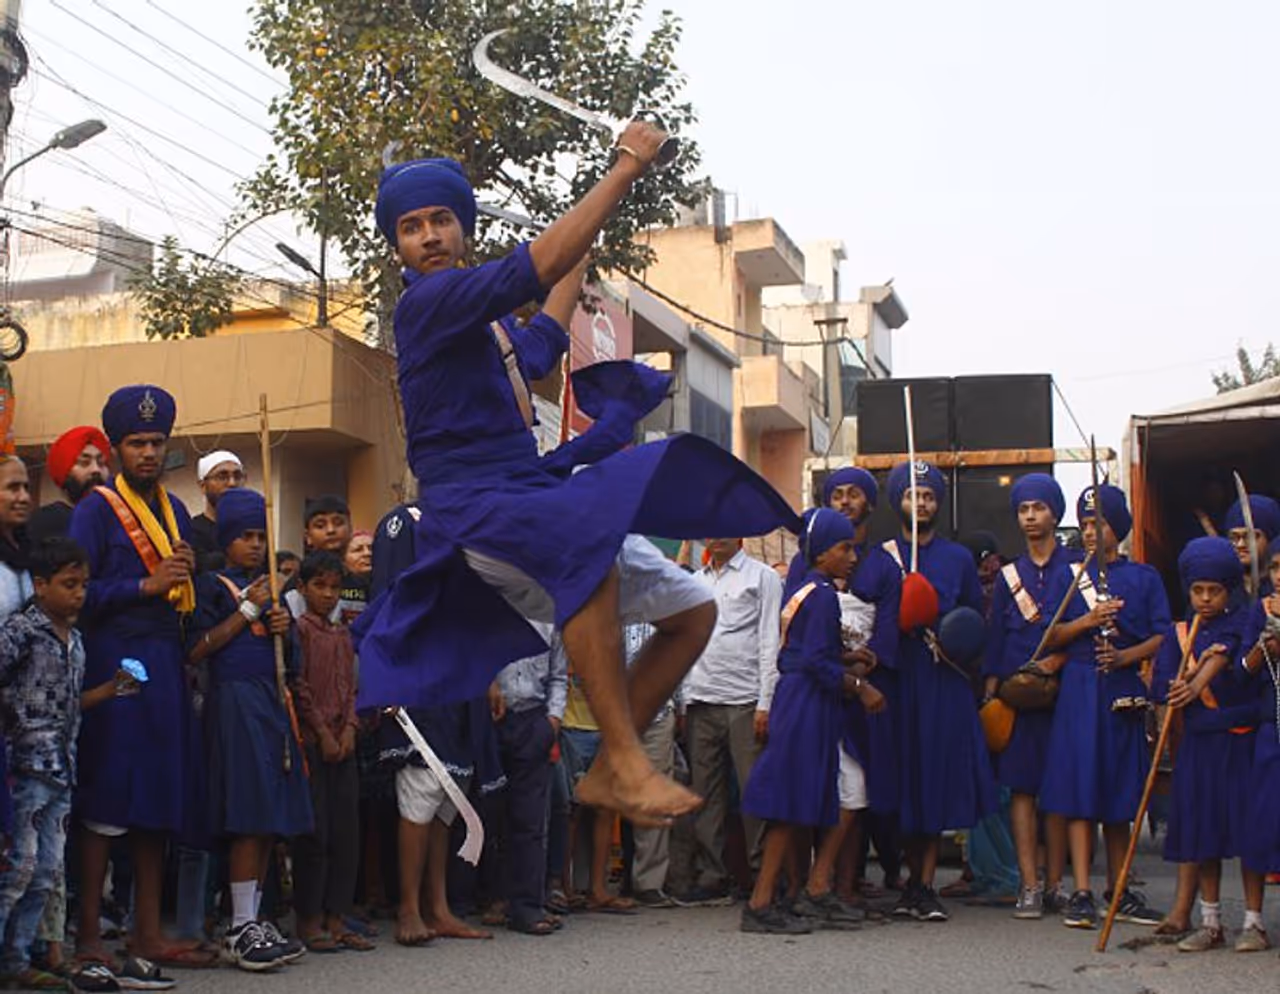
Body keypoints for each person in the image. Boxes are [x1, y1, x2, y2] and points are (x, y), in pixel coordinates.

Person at [355, 129, 800, 828]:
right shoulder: (426, 305)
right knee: (585, 555)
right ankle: (625, 758)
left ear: (462, 227)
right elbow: (530, 269)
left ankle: (607, 777)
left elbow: (539, 349)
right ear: (397, 245)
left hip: (525, 495)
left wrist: (579, 249)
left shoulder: (486, 322)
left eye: (441, 219)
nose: (429, 236)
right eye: (411, 228)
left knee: (692, 612)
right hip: (474, 507)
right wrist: (624, 169)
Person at [69, 385, 216, 970]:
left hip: (166, 663)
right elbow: (74, 594)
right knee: (108, 796)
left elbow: (182, 593)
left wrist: (186, 583)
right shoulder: (94, 509)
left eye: (157, 442)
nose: (149, 453)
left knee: (158, 797)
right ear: (116, 448)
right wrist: (144, 586)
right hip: (116, 661)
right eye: (136, 443)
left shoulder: (176, 511)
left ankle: (147, 933)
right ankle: (87, 937)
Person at [0, 539, 150, 990]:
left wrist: (110, 691)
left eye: (83, 585)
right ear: (41, 585)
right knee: (17, 868)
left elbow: (69, 704)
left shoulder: (77, 641)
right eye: (68, 584)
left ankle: (17, 958)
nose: (79, 594)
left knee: (46, 872)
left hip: (62, 770)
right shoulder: (20, 632)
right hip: (24, 769)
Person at [741, 509, 884, 934]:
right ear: (823, 553)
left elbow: (804, 651)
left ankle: (793, 893)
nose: (853, 557)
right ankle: (761, 902)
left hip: (795, 697)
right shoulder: (822, 595)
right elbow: (816, 664)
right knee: (788, 806)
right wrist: (862, 686)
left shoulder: (803, 589)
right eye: (845, 548)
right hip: (808, 703)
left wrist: (847, 657)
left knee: (795, 804)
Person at [188, 488, 312, 971]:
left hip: (271, 699)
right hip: (235, 701)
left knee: (270, 813)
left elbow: (293, 663)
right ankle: (239, 924)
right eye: (246, 536)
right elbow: (197, 649)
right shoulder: (212, 585)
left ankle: (254, 915)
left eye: (262, 536)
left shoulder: (275, 589)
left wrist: (285, 627)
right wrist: (247, 612)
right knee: (248, 809)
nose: (256, 545)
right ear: (227, 539)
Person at [1039, 484, 1169, 930]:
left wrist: (1127, 658)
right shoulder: (1067, 575)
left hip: (1122, 687)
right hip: (1079, 687)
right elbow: (1049, 637)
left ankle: (1118, 888)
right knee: (1079, 790)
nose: (1093, 532)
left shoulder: (1144, 578)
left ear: (1120, 527)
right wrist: (1087, 621)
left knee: (1119, 794)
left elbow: (1160, 635)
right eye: (1087, 523)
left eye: (1102, 523)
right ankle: (1080, 891)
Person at [885, 461, 995, 923]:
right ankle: (904, 879)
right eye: (913, 495)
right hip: (898, 678)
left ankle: (925, 883)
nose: (922, 503)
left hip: (941, 676)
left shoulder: (957, 559)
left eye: (928, 495)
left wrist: (952, 636)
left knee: (932, 778)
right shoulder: (882, 556)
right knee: (903, 779)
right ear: (899, 502)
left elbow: (974, 620)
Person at [1149, 537, 1262, 953]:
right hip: (1198, 746)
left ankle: (1253, 922)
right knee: (1204, 833)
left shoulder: (1247, 622)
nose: (1206, 598)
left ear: (1229, 588)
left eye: (1214, 590)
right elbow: (1162, 684)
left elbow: (1240, 669)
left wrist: (1202, 679)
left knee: (1248, 835)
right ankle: (1210, 921)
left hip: (1239, 742)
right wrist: (1174, 689)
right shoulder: (1177, 634)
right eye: (1198, 590)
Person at [796, 468, 903, 900]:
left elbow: (888, 630)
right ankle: (802, 882)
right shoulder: (807, 568)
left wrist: (859, 676)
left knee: (858, 789)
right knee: (816, 785)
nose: (844, 501)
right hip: (815, 689)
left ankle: (847, 883)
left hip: (863, 689)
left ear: (870, 504)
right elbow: (798, 632)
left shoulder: (883, 565)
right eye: (836, 494)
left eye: (853, 494)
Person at [982, 474, 1073, 918]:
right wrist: (991, 694)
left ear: (1055, 513)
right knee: (1021, 790)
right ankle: (1030, 885)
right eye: (1023, 509)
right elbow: (997, 638)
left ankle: (1057, 884)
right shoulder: (1007, 576)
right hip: (1019, 695)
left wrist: (1060, 661)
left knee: (1056, 791)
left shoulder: (1076, 570)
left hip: (1064, 693)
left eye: (1038, 507)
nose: (1031, 516)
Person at [680, 538, 783, 904]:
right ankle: (712, 875)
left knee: (753, 790)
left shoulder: (763, 577)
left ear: (740, 534)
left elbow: (771, 639)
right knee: (706, 795)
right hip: (701, 698)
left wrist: (765, 702)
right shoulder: (696, 582)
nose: (717, 535)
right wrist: (684, 697)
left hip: (745, 700)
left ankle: (762, 874)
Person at [291, 552, 372, 953]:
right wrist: (323, 733)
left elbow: (354, 686)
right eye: (319, 586)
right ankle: (308, 918)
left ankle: (337, 916)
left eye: (334, 588)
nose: (327, 594)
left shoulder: (344, 634)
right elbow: (300, 688)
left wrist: (352, 728)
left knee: (346, 833)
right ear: (302, 588)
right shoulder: (300, 631)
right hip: (313, 742)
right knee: (315, 833)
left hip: (345, 740)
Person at [488, 624, 566, 934]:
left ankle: (528, 906)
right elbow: (470, 654)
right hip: (491, 718)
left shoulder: (550, 618)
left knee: (531, 820)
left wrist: (553, 721)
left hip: (534, 720)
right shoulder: (490, 605)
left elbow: (559, 676)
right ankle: (494, 898)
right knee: (491, 812)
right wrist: (486, 682)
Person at [1241, 572, 1280, 944]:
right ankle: (1254, 921)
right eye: (1278, 566)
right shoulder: (1259, 611)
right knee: (1262, 823)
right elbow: (1242, 673)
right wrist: (1262, 651)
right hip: (1270, 729)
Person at [28, 427, 110, 544]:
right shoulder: (46, 523)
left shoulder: (115, 520)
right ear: (64, 472)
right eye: (84, 463)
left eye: (101, 463)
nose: (96, 470)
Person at [188, 451, 246, 574]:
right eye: (222, 477)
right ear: (203, 486)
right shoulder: (191, 531)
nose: (232, 483)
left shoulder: (252, 531)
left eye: (237, 476)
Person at [1223, 494, 1280, 598]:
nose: (1240, 545)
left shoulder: (1277, 585)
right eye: (1234, 537)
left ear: (1271, 538)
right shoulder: (1222, 589)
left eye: (1251, 537)